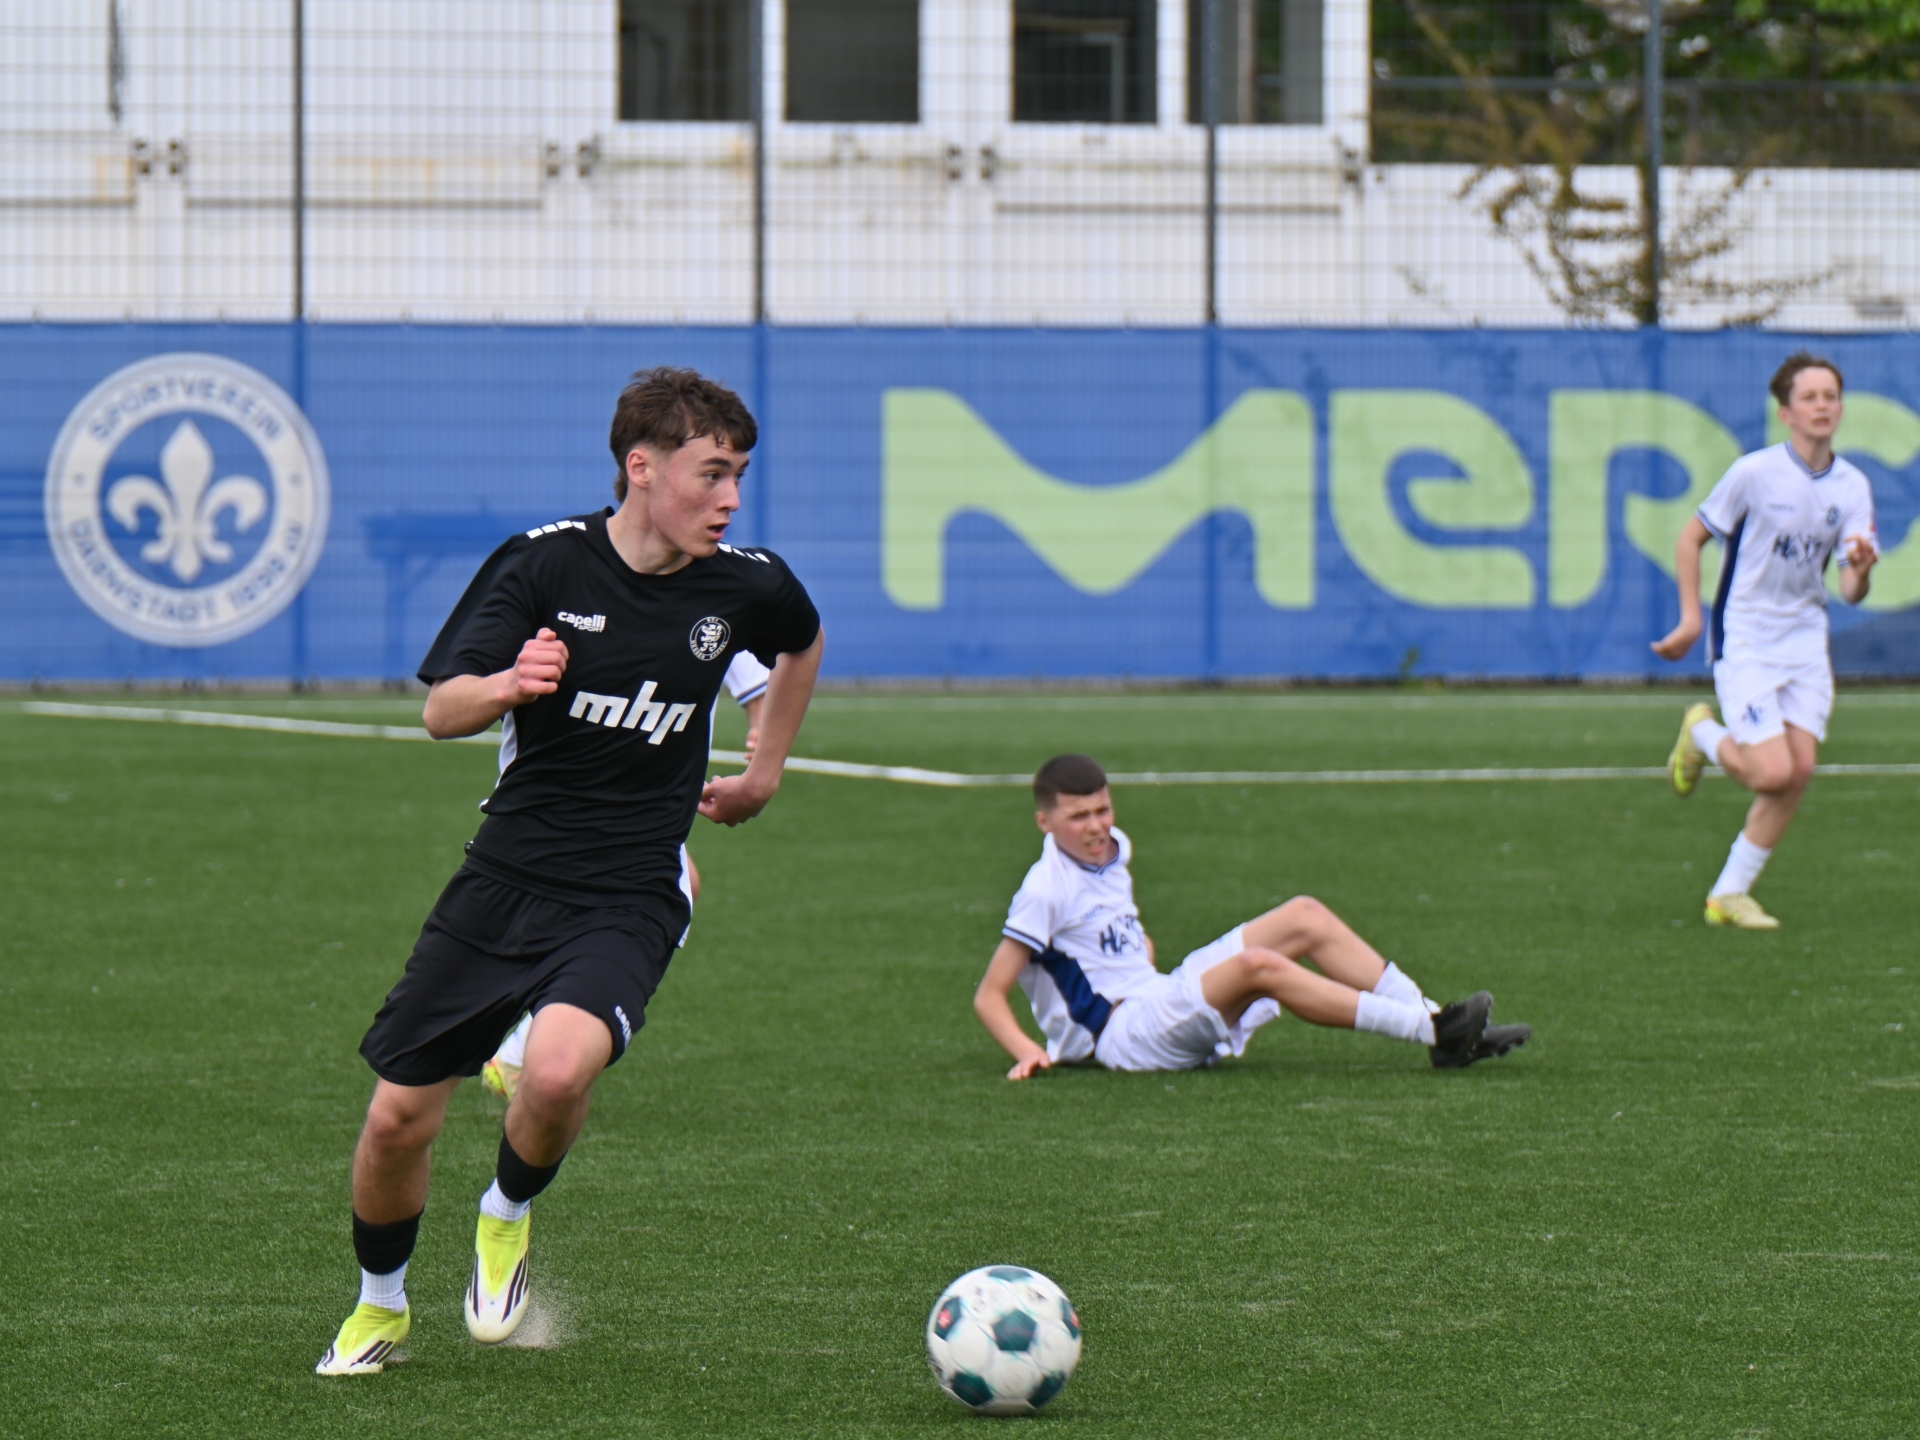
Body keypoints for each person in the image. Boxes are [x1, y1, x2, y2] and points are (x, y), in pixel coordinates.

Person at [317, 368, 824, 1375]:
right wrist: (510, 682)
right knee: (395, 1120)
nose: (729, 498)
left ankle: (503, 1219)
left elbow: (801, 642)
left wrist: (763, 769)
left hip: (630, 890)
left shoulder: (744, 585)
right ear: (642, 468)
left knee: (553, 1070)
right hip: (502, 881)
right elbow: (441, 709)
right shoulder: (546, 568)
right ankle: (381, 1307)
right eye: (711, 473)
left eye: (740, 476)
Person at [972, 754, 1529, 1080]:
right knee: (1260, 965)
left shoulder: (1114, 848)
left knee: (1305, 915)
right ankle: (1432, 1030)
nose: (1096, 826)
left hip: (1156, 997)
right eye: (1078, 817)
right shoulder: (1043, 889)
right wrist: (1030, 1053)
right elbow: (990, 994)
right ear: (1045, 822)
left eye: (1102, 809)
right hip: (1120, 1038)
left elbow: (1123, 944)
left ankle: (1443, 1025)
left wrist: (1133, 953)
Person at [479, 650, 769, 1102]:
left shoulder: (720, 594)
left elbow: (750, 646)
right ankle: (522, 1051)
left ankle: (524, 1052)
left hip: (643, 793)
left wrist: (761, 725)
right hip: (585, 787)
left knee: (680, 884)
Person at [1654, 352, 1878, 930]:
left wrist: (1862, 565)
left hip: (1806, 638)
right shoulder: (1754, 473)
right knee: (1771, 773)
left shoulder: (1852, 485)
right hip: (1748, 633)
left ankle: (1728, 894)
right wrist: (1690, 620)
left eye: (1831, 396)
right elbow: (1690, 537)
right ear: (1786, 413)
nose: (1823, 406)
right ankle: (1701, 731)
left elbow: (1851, 590)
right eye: (1810, 397)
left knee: (1798, 771)